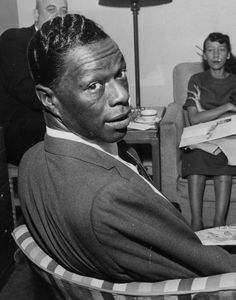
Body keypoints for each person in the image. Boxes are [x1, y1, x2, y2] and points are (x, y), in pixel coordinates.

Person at [19, 15, 236, 283]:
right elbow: (217, 271)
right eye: (94, 85)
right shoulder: (109, 199)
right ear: (49, 100)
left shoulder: (31, 160)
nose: (122, 95)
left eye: (120, 73)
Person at [0, 0, 68, 165]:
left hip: (55, 126)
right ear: (36, 15)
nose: (59, 16)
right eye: (51, 9)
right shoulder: (15, 39)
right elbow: (27, 91)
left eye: (64, 11)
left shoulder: (66, 46)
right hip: (23, 133)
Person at [182, 32, 236, 231]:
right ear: (204, 55)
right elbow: (194, 119)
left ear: (228, 54)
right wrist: (227, 108)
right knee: (196, 155)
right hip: (200, 139)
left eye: (221, 50)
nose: (216, 55)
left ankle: (219, 223)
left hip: (229, 139)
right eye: (211, 50)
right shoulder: (196, 80)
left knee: (227, 157)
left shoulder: (235, 81)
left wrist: (208, 113)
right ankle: (196, 222)